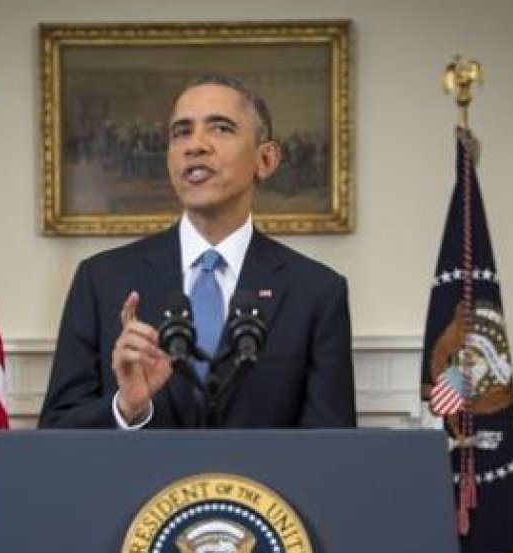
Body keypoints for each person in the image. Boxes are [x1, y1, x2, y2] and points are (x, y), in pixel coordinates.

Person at [39, 75, 356, 428]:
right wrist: (126, 408)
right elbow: (55, 434)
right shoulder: (101, 280)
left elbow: (332, 450)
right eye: (181, 132)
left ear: (265, 160)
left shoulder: (316, 292)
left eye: (220, 128)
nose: (195, 145)